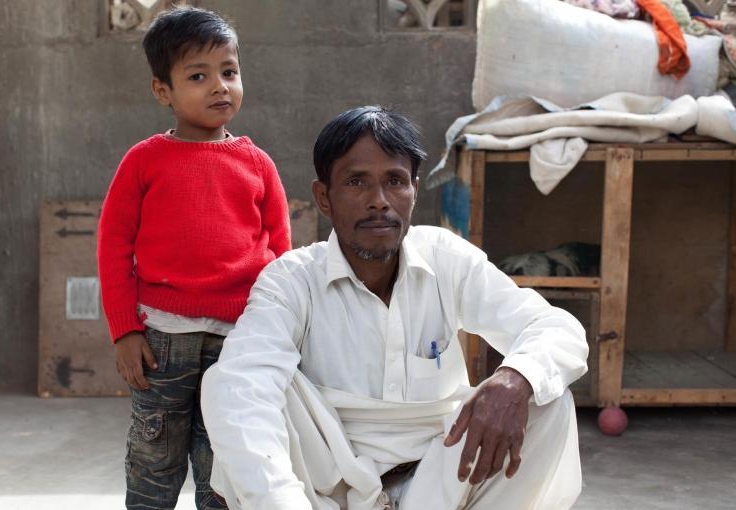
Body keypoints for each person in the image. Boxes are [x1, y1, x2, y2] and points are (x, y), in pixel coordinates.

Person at [201, 106, 588, 510]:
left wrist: (514, 378)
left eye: (395, 181)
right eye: (356, 182)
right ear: (323, 198)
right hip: (327, 488)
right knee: (232, 384)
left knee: (545, 396)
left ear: (414, 190)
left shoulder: (445, 259)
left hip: (439, 485)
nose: (379, 201)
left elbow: (555, 328)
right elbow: (242, 384)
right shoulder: (292, 280)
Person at [97, 7, 291, 509]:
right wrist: (124, 330)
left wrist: (283, 331)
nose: (219, 86)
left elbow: (282, 255)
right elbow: (113, 246)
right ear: (163, 91)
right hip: (160, 341)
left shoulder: (257, 165)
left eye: (229, 72)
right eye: (198, 76)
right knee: (154, 459)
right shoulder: (144, 162)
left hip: (238, 341)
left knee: (224, 463)